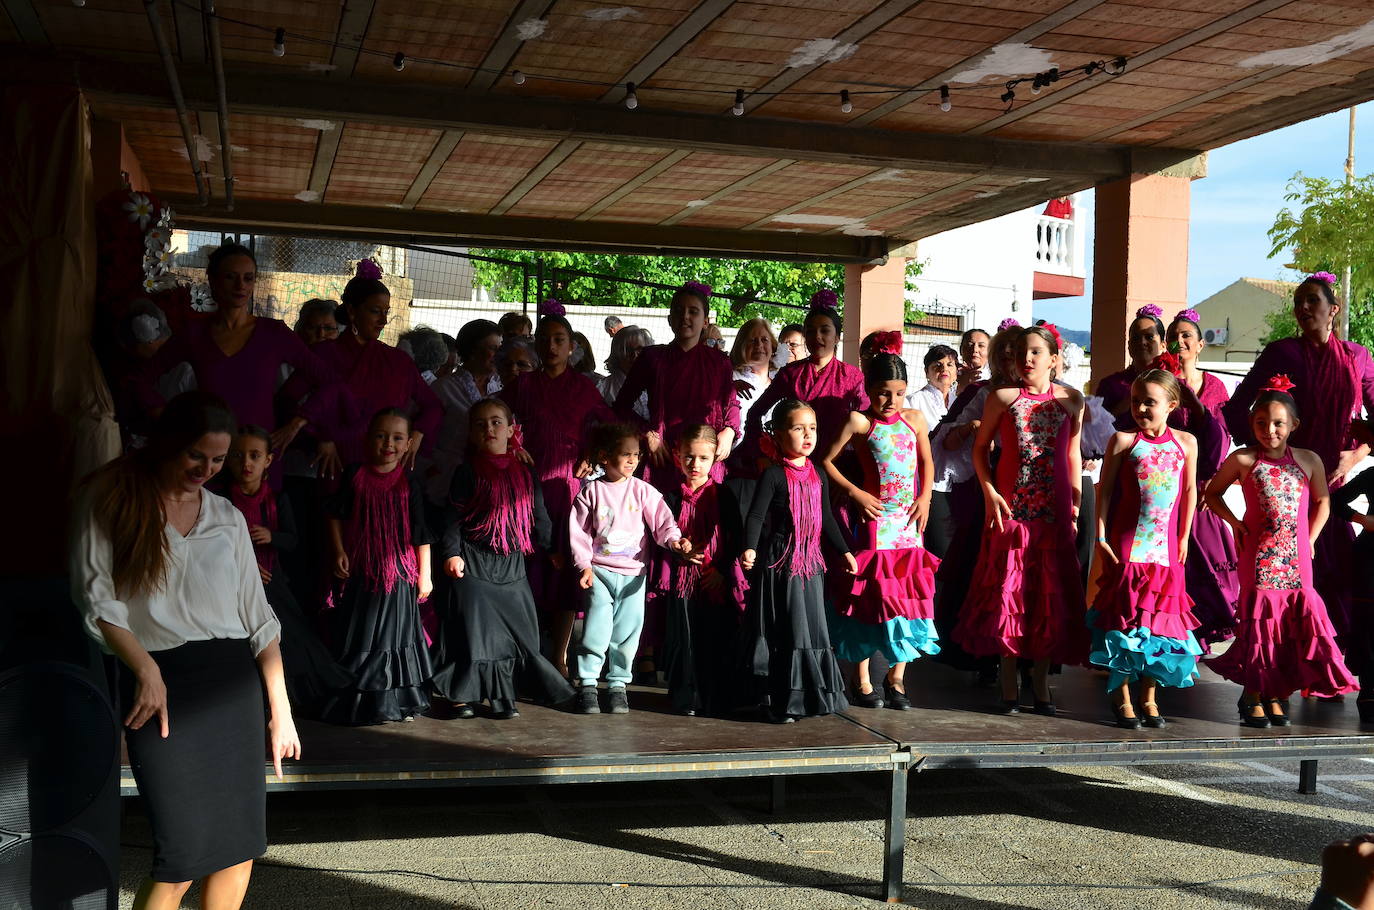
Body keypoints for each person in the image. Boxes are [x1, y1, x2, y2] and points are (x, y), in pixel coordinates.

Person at [71, 391, 299, 910]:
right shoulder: (111, 500)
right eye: (197, 455)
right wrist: (146, 669)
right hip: (159, 686)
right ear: (168, 444)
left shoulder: (226, 516)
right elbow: (96, 601)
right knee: (179, 860)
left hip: (232, 688)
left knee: (238, 853)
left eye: (218, 460)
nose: (207, 470)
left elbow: (260, 621)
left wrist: (280, 713)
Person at [1222, 273, 1374, 649]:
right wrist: (1268, 456)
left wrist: (1356, 455)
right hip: (1288, 485)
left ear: (1333, 309)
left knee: (1336, 576)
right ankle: (1282, 656)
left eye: (1312, 300)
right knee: (1289, 574)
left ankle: (1324, 659)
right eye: (1298, 302)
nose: (1303, 307)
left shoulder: (1357, 356)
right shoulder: (1284, 353)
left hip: (1334, 485)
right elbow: (1238, 408)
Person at [1205, 376, 1357, 727]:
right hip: (1259, 554)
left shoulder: (1309, 460)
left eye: (1278, 423)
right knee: (1261, 623)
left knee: (1290, 623)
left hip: (1297, 556)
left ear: (1293, 425)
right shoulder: (1243, 459)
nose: (1269, 430)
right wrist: (1234, 523)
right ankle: (1253, 693)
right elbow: (1212, 493)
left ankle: (1278, 691)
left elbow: (1323, 501)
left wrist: (1311, 538)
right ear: (1251, 423)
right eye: (1261, 423)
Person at [954, 326, 1088, 715]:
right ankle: (1009, 680)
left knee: (1049, 598)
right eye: (1020, 353)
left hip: (1054, 511)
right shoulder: (1002, 397)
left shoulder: (1071, 400)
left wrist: (1076, 503)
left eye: (1035, 352)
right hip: (1011, 510)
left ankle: (1041, 683)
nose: (1026, 359)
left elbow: (1073, 454)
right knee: (1007, 594)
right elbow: (981, 449)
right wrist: (989, 491)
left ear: (1053, 359)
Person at [133, 244, 342, 489]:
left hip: (259, 465)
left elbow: (330, 380)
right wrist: (169, 419)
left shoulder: (275, 334)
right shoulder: (194, 334)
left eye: (248, 278)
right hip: (209, 463)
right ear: (213, 280)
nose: (240, 285)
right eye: (230, 277)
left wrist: (296, 423)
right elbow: (139, 380)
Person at [430, 399, 575, 719]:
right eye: (480, 424)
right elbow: (452, 517)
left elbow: (539, 515)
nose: (489, 429)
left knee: (517, 635)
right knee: (474, 633)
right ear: (471, 433)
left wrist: (553, 549)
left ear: (511, 430)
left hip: (511, 564)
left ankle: (503, 695)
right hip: (473, 561)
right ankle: (463, 696)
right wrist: (452, 553)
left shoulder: (525, 471)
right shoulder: (466, 471)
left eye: (496, 422)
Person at [500, 305, 615, 676]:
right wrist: (513, 447)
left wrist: (594, 455)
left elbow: (611, 426)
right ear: (536, 345)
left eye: (559, 340)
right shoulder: (522, 386)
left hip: (568, 491)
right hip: (526, 492)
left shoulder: (585, 388)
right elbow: (493, 416)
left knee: (566, 573)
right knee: (528, 570)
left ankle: (560, 658)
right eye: (545, 340)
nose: (551, 347)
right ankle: (526, 654)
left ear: (572, 347)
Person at [822, 354, 941, 710]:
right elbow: (825, 461)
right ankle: (861, 679)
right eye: (882, 393)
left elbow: (927, 461)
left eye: (899, 393)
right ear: (868, 389)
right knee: (869, 597)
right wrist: (855, 493)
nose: (891, 401)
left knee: (907, 596)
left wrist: (926, 497)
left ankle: (896, 678)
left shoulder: (914, 419)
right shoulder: (859, 422)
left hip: (909, 520)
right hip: (877, 521)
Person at [1089, 370, 1203, 729]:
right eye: (1136, 401)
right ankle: (1122, 695)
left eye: (1149, 402)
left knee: (1159, 625)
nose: (1140, 408)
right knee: (1124, 621)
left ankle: (1150, 697)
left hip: (1166, 550)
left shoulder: (1186, 443)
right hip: (1129, 545)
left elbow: (1189, 491)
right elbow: (1105, 490)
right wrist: (1101, 537)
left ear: (1171, 405)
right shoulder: (1124, 440)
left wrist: (1184, 536)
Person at [223, 426, 353, 719]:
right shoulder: (221, 501)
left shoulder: (277, 499)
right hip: (234, 586)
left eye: (255, 456)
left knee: (289, 638)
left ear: (268, 460)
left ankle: (287, 700)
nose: (246, 463)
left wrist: (272, 536)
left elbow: (293, 540)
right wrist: (242, 566)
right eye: (238, 456)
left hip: (272, 580)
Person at [741, 399, 857, 723]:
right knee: (788, 630)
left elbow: (827, 518)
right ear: (778, 435)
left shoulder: (819, 473)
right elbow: (756, 515)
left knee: (812, 629)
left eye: (812, 428)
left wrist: (845, 551)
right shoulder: (774, 475)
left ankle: (809, 698)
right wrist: (750, 547)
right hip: (782, 563)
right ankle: (779, 701)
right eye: (798, 428)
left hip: (811, 565)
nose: (808, 435)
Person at [319, 408, 435, 725]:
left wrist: (425, 575)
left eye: (397, 438)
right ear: (368, 438)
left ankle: (398, 701)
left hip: (399, 573)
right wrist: (339, 551)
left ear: (408, 443)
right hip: (363, 570)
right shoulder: (354, 474)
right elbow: (334, 514)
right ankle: (363, 701)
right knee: (363, 633)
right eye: (381, 436)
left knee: (395, 636)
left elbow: (421, 532)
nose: (388, 444)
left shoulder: (411, 481)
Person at [568, 423, 688, 714]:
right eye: (626, 454)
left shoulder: (643, 491)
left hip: (634, 574)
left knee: (627, 632)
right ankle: (588, 684)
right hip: (600, 572)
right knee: (596, 629)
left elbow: (663, 522)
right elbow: (579, 533)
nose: (633, 460)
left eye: (636, 454)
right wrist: (584, 566)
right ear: (605, 456)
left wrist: (674, 541)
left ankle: (618, 685)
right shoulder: (592, 492)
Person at [290, 259, 443, 475]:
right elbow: (287, 400)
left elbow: (433, 406)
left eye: (386, 312)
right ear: (352, 311)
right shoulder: (323, 354)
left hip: (386, 467)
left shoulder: (398, 360)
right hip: (336, 465)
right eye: (375, 311)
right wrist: (321, 437)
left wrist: (417, 434)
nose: (383, 320)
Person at [927, 322, 1022, 673]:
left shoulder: (1045, 395)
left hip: (1027, 493)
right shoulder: (981, 392)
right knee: (974, 565)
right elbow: (945, 440)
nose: (1011, 361)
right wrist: (972, 428)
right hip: (983, 489)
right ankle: (973, 649)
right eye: (1004, 354)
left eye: (1017, 353)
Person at [613, 281, 739, 491]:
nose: (685, 317)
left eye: (693, 311)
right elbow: (621, 407)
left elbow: (731, 403)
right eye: (679, 311)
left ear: (705, 321)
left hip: (706, 460)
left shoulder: (719, 361)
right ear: (670, 319)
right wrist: (648, 434)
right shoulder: (652, 357)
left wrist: (729, 430)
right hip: (664, 456)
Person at [1165, 308, 1240, 652]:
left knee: (1206, 566)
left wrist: (1213, 481)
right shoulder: (1161, 382)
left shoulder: (1215, 387)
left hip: (1204, 488)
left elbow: (1222, 438)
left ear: (1199, 345)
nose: (1179, 342)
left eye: (1186, 336)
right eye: (1173, 337)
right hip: (1168, 487)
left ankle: (1200, 635)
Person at [660, 425, 746, 716]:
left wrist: (721, 570)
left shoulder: (724, 495)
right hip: (682, 579)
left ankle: (715, 696)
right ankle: (687, 696)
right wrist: (677, 547)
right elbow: (661, 535)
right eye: (688, 457)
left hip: (715, 579)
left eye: (703, 458)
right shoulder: (670, 498)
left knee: (714, 637)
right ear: (677, 456)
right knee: (684, 637)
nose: (695, 464)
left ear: (714, 459)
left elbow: (736, 536)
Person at [742, 292, 868, 476]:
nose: (817, 336)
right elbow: (755, 413)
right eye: (810, 331)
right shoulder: (791, 373)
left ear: (837, 337)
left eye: (825, 330)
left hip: (838, 469)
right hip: (794, 467)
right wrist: (762, 453)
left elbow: (867, 424)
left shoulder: (852, 376)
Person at [427, 318, 503, 505]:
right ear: (472, 350)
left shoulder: (503, 387)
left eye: (500, 348)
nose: (498, 355)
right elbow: (425, 436)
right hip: (449, 480)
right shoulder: (443, 388)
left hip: (493, 484)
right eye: (492, 348)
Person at [1095, 305, 1168, 427]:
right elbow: (1097, 427)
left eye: (1149, 337)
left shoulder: (1172, 383)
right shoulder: (1110, 385)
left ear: (1163, 345)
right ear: (1129, 345)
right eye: (1136, 337)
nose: (1142, 342)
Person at [597, 324, 653, 420]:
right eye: (627, 350)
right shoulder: (603, 389)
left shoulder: (655, 384)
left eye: (640, 350)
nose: (634, 356)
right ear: (617, 354)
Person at [956, 328, 991, 395]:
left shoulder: (995, 377)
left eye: (981, 346)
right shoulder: (950, 374)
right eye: (969, 345)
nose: (975, 349)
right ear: (961, 349)